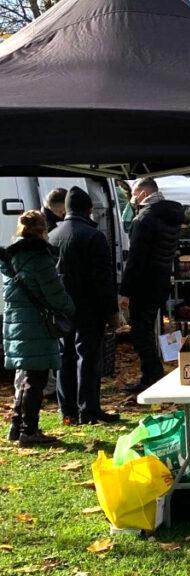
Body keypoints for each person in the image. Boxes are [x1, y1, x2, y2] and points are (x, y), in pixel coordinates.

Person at [2, 211, 75, 446]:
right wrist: (70, 307)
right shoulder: (39, 258)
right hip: (36, 326)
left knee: (26, 379)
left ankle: (16, 427)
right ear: (43, 230)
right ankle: (29, 430)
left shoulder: (11, 257)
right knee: (36, 380)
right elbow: (55, 294)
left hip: (16, 324)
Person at [49, 187, 120, 425]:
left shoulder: (52, 235)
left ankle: (67, 410)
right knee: (88, 358)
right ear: (89, 209)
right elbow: (103, 279)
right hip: (90, 308)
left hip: (62, 308)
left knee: (64, 357)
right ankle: (88, 409)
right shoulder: (93, 236)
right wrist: (112, 311)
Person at [119, 178, 185, 395]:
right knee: (148, 329)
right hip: (161, 280)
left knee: (141, 333)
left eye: (134, 193)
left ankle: (152, 376)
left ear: (143, 192)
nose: (132, 198)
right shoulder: (172, 215)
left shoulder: (145, 218)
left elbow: (136, 259)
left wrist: (125, 291)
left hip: (144, 283)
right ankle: (153, 373)